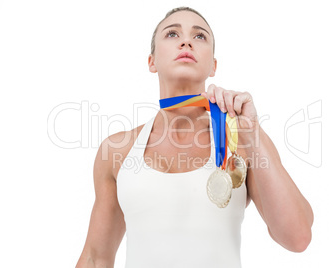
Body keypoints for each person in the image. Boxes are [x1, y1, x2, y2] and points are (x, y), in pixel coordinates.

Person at [76, 6, 314, 268]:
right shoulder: (117, 150)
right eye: (172, 34)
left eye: (200, 36)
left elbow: (297, 237)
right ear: (151, 61)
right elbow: (95, 258)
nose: (186, 41)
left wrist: (252, 133)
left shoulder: (243, 140)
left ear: (213, 65)